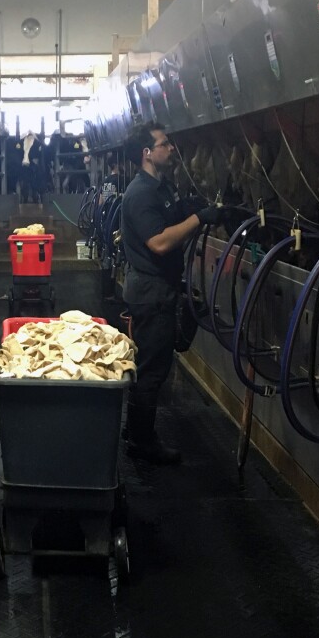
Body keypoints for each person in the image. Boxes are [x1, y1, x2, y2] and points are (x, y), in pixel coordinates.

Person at [120, 122, 224, 464]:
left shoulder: (160, 188)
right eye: (164, 144)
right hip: (150, 290)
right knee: (152, 367)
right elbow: (160, 241)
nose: (171, 149)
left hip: (157, 288)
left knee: (149, 362)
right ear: (147, 154)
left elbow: (166, 220)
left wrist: (183, 209)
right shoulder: (140, 193)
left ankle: (134, 428)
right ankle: (141, 441)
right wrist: (198, 218)